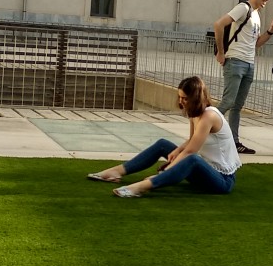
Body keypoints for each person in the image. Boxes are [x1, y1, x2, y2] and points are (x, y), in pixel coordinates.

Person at [87, 76, 240, 198]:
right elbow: (191, 140)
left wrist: (166, 171)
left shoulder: (209, 116)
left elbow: (191, 151)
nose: (181, 102)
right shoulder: (195, 113)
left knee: (193, 159)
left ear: (195, 98)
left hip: (222, 181)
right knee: (163, 144)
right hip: (205, 173)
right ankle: (117, 171)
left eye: (185, 98)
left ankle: (142, 187)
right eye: (180, 97)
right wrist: (177, 150)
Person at [212, 0, 273, 154]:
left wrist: (271, 31)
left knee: (237, 106)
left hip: (249, 64)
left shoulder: (257, 15)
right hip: (235, 61)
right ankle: (204, 132)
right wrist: (221, 52)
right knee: (228, 101)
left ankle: (234, 143)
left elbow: (256, 43)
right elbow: (219, 24)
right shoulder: (243, 8)